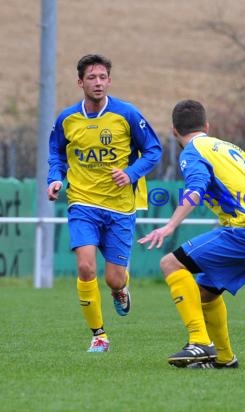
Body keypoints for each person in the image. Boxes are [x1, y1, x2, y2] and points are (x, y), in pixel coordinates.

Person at [138, 99, 245, 369]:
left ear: (174, 131)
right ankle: (224, 358)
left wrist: (170, 226)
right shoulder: (232, 148)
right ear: (207, 126)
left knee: (170, 263)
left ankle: (199, 342)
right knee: (205, 292)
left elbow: (195, 188)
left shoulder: (193, 151)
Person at [47, 54, 163, 352]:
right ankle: (99, 335)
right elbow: (57, 153)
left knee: (113, 278)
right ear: (80, 82)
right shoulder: (67, 119)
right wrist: (55, 178)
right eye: (91, 78)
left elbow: (153, 150)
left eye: (102, 77)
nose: (97, 83)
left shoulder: (126, 114)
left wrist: (130, 173)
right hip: (82, 203)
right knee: (86, 267)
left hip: (120, 207)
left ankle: (120, 289)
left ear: (109, 80)